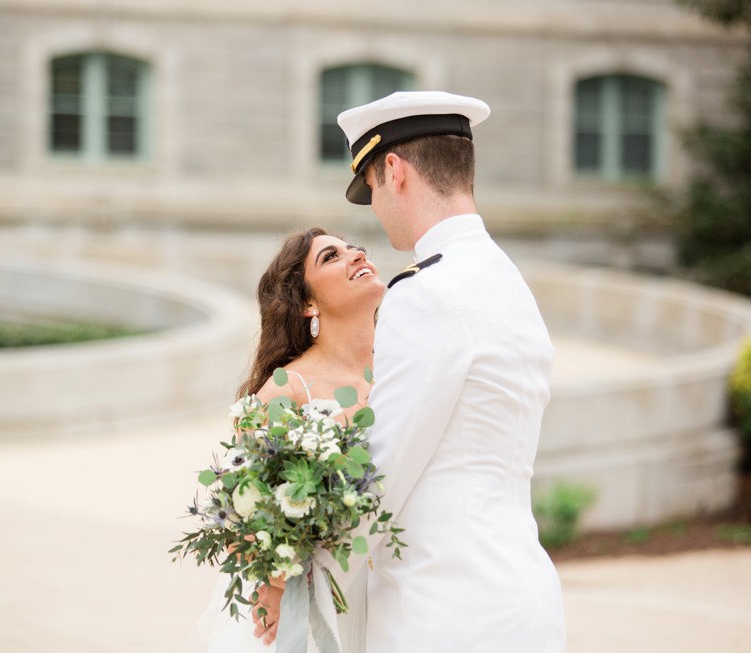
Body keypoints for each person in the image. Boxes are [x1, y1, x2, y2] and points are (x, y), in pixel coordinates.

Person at [256, 91, 566, 651]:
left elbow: (384, 472)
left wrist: (291, 581)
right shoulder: (506, 280)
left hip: (445, 614)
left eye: (370, 188)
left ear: (393, 171)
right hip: (524, 600)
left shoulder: (426, 294)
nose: (373, 211)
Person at [196, 227, 386, 652]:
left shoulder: (404, 363)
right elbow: (242, 514)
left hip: (397, 586)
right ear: (308, 305)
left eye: (354, 248)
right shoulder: (286, 391)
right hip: (318, 602)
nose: (356, 254)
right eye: (332, 256)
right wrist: (277, 582)